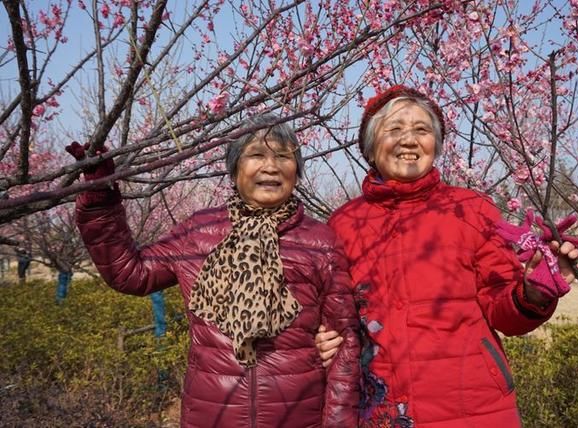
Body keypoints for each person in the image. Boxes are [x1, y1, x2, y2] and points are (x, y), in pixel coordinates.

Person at [314, 85, 578, 427]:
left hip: (475, 409)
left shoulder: (471, 211)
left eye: (422, 130)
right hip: (379, 410)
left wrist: (533, 293)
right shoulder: (343, 223)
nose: (409, 140)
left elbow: (504, 312)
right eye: (394, 129)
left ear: (437, 144)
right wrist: (324, 338)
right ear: (371, 146)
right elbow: (331, 311)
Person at [67, 114, 360, 427]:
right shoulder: (200, 231)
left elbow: (344, 340)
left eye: (284, 156)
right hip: (212, 414)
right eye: (257, 155)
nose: (271, 166)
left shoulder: (319, 241)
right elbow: (130, 272)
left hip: (298, 415)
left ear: (297, 172)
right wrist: (100, 197)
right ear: (234, 170)